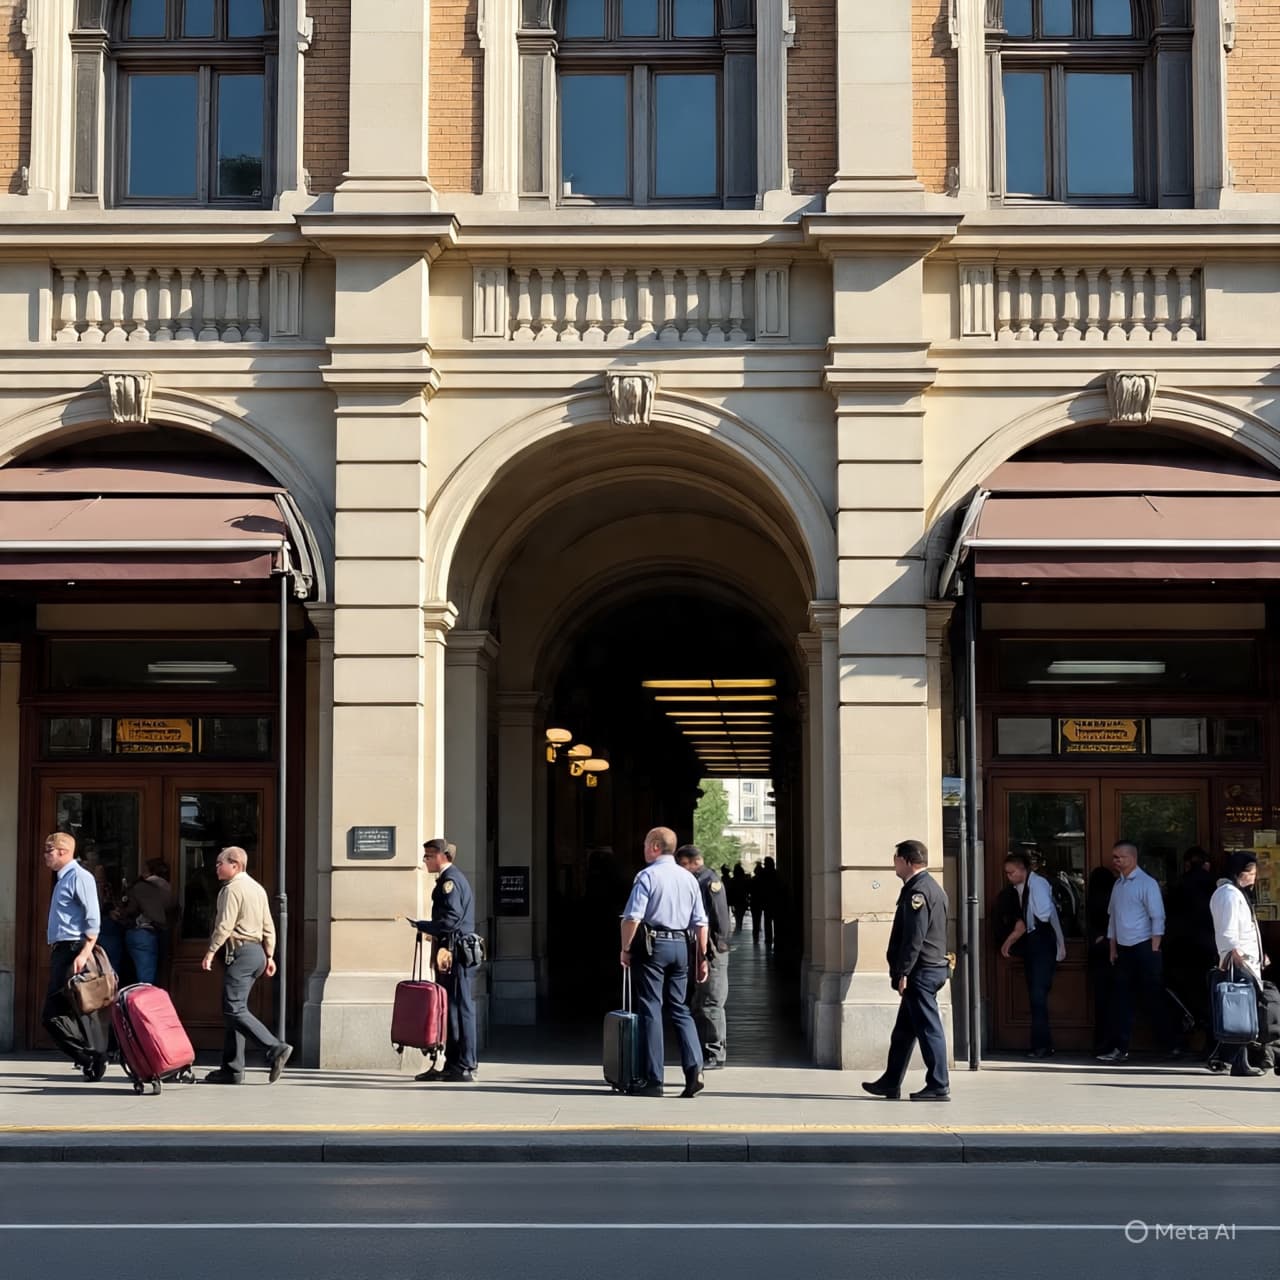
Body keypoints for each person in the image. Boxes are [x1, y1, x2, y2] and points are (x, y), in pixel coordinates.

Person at [620, 826, 709, 1098]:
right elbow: (701, 922)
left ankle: (653, 1078)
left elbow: (633, 917)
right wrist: (702, 957)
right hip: (682, 946)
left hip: (653, 946)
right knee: (680, 1007)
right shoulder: (689, 878)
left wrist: (625, 948)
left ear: (656, 846)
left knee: (651, 1008)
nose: (644, 848)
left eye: (647, 844)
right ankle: (694, 1069)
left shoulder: (647, 876)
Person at [862, 839, 951, 1102]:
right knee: (903, 1032)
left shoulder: (918, 892)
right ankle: (890, 1082)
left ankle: (938, 1084)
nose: (894, 863)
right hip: (925, 969)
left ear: (907, 861)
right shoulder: (928, 887)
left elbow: (915, 937)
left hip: (921, 971)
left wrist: (903, 972)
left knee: (928, 1029)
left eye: (896, 858)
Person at [200, 846, 291, 1085]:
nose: (216, 867)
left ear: (235, 865)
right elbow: (268, 924)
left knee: (234, 1009)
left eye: (220, 863)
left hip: (240, 952)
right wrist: (269, 955)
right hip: (257, 953)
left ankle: (275, 1048)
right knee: (235, 1010)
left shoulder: (233, 889)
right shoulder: (257, 888)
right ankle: (232, 1069)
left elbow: (224, 924)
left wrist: (210, 951)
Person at [1097, 840, 1176, 1063]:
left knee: (1154, 998)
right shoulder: (1118, 885)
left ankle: (1171, 1044)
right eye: (1114, 857)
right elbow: (1113, 918)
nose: (1115, 861)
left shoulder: (1146, 883)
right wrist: (1112, 947)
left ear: (1131, 858)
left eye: (1118, 857)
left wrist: (1154, 947)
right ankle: (1119, 1048)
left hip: (1144, 947)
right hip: (1124, 950)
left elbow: (1158, 916)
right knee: (1121, 1000)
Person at [40, 832, 110, 1082]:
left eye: (48, 851)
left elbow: (93, 916)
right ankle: (92, 1057)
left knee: (52, 1014)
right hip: (63, 948)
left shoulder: (80, 877)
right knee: (74, 1009)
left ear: (62, 851)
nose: (45, 856)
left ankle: (90, 1056)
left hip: (73, 949)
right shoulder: (64, 878)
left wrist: (85, 951)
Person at [409, 839, 479, 1082]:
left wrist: (424, 925)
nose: (425, 861)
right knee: (452, 1008)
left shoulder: (451, 882)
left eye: (428, 856)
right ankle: (453, 1062)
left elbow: (451, 920)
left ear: (441, 856)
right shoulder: (450, 879)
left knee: (460, 1008)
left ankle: (465, 1064)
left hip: (455, 952)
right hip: (450, 952)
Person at [1208, 850, 1275, 1077]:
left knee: (1243, 1012)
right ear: (1240, 873)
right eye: (1251, 873)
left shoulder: (1236, 893)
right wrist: (1234, 955)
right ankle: (1236, 1061)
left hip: (1246, 959)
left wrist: (1259, 952)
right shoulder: (1228, 894)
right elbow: (1227, 930)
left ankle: (1225, 1058)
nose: (1254, 877)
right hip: (1239, 961)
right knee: (1241, 1013)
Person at [998, 852, 1067, 1058]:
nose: (1008, 876)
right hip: (1035, 942)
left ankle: (1042, 1046)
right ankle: (1041, 1044)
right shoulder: (1019, 889)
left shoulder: (1037, 885)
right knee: (1036, 996)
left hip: (1041, 942)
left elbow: (1045, 914)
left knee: (1038, 995)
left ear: (1022, 870)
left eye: (1011, 872)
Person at [675, 844, 731, 1069]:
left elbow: (720, 918)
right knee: (700, 1002)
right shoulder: (698, 880)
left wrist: (715, 949)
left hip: (711, 951)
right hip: (702, 950)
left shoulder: (709, 882)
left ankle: (715, 1053)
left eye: (681, 865)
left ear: (690, 862)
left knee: (711, 1002)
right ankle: (707, 1048)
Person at [120, 858, 177, 987]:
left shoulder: (143, 886)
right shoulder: (167, 887)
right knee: (152, 976)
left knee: (140, 977)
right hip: (158, 932)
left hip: (141, 932)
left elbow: (131, 909)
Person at [1086, 865, 1117, 1053]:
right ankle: (1113, 1042)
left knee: (1102, 1003)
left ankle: (1101, 1044)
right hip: (1114, 951)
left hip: (1098, 953)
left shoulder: (1092, 900)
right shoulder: (1112, 899)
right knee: (1116, 1002)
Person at [750, 857, 778, 948]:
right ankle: (769, 939)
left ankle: (758, 938)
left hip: (760, 900)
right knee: (769, 921)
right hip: (771, 900)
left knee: (761, 921)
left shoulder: (761, 875)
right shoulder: (775, 874)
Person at [728, 864, 749, 931]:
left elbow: (730, 891)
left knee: (737, 916)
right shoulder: (744, 881)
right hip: (742, 900)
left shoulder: (732, 880)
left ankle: (738, 927)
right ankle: (739, 927)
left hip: (735, 901)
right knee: (740, 916)